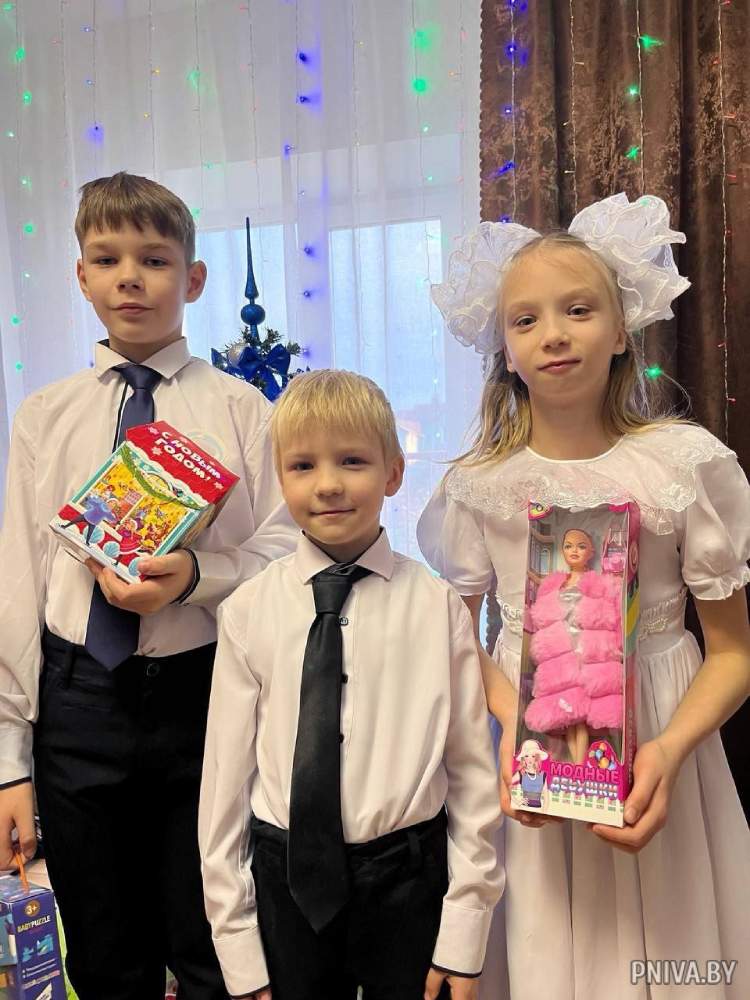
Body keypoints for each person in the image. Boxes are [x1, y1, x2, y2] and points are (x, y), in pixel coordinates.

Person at [417, 193, 750, 999]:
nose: (554, 334)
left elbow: (734, 654)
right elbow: (455, 637)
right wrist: (511, 724)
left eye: (578, 309)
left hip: (662, 755)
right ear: (503, 349)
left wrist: (667, 751)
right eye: (525, 320)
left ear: (622, 329)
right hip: (531, 759)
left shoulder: (683, 466)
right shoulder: (478, 486)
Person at [0, 172, 298, 1000]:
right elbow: (17, 584)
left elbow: (285, 549)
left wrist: (198, 577)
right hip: (76, 703)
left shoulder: (243, 410)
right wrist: (8, 765)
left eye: (155, 260)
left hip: (203, 701)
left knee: (212, 943)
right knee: (103, 954)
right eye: (107, 259)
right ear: (81, 276)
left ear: (193, 279)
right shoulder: (43, 416)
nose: (130, 277)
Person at [198, 369, 503, 1000]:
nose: (329, 484)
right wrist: (238, 947)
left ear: (393, 472)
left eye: (353, 461)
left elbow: (472, 776)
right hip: (286, 882)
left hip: (409, 881)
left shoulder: (438, 607)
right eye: (303, 465)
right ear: (281, 479)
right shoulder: (248, 610)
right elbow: (224, 785)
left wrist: (464, 933)